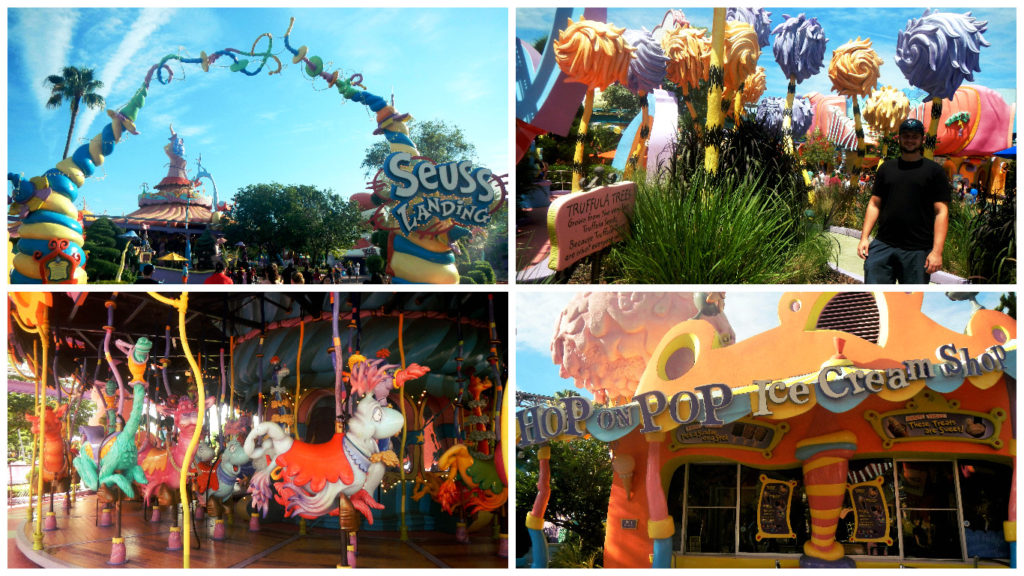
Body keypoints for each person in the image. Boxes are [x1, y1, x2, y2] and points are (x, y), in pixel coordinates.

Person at [857, 118, 950, 284]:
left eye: (914, 136)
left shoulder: (935, 172)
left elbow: (941, 211)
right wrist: (864, 237)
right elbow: (874, 203)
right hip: (883, 245)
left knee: (910, 299)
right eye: (906, 136)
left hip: (917, 250)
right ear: (899, 138)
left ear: (922, 139)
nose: (910, 140)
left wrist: (937, 251)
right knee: (876, 295)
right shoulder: (886, 168)